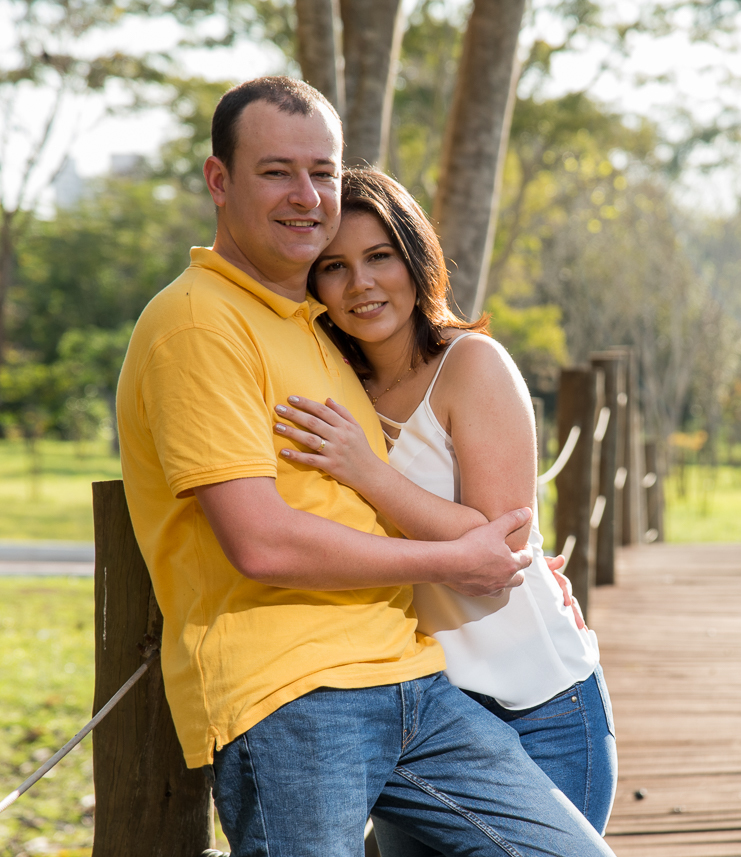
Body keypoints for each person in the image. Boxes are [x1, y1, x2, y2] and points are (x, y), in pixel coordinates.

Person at [116, 75, 615, 856]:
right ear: (219, 180)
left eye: (322, 171)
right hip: (294, 693)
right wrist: (454, 555)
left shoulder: (316, 328)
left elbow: (474, 510)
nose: (305, 194)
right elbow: (263, 543)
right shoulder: (196, 324)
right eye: (275, 170)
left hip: (420, 681)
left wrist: (487, 550)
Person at [270, 168, 617, 849]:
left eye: (379, 257)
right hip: (424, 718)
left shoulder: (471, 365)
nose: (361, 284)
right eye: (335, 267)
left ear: (414, 257)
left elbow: (500, 551)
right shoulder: (332, 390)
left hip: (540, 704)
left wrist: (366, 471)